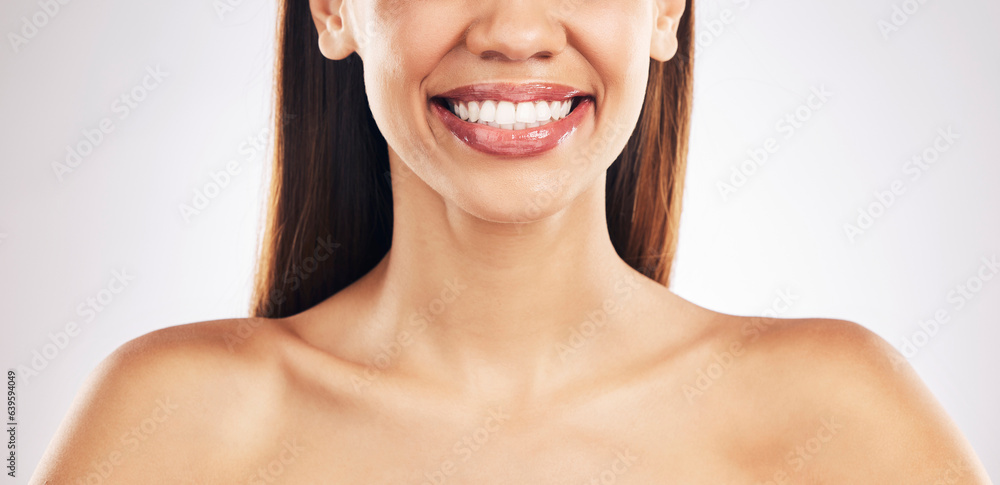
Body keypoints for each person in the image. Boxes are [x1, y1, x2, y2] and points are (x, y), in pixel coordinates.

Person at [31, 0, 992, 483]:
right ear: (332, 8)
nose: (517, 30)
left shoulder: (836, 421)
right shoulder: (179, 430)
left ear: (667, 8)